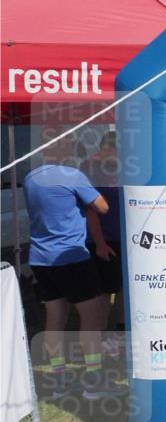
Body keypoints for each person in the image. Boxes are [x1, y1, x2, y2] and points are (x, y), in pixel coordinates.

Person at [24, 130, 124, 400]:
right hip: (71, 257)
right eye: (69, 143)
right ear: (62, 147)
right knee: (91, 318)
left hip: (40, 258)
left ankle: (58, 382)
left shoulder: (31, 177)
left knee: (54, 318)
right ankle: (93, 381)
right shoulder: (73, 176)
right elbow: (102, 207)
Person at [80, 132, 125, 340]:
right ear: (107, 148)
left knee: (125, 286)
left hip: (124, 236)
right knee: (105, 292)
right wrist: (99, 243)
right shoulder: (90, 168)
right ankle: (102, 335)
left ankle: (122, 330)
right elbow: (90, 210)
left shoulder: (120, 167)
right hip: (104, 239)